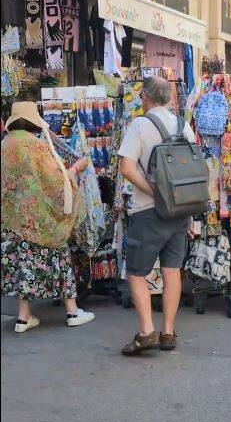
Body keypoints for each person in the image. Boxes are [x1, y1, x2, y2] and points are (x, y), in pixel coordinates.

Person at [117, 76, 196, 356]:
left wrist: (154, 191)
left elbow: (127, 168)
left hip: (148, 213)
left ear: (145, 97)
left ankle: (146, 332)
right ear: (170, 98)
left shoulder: (139, 125)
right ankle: (168, 332)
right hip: (180, 211)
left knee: (136, 273)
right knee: (172, 270)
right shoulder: (183, 126)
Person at [1, 102, 95, 332]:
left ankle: (23, 317)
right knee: (60, 259)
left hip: (12, 220)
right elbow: (56, 180)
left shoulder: (5, 144)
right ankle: (72, 311)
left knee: (22, 265)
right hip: (41, 221)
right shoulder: (36, 146)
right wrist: (76, 168)